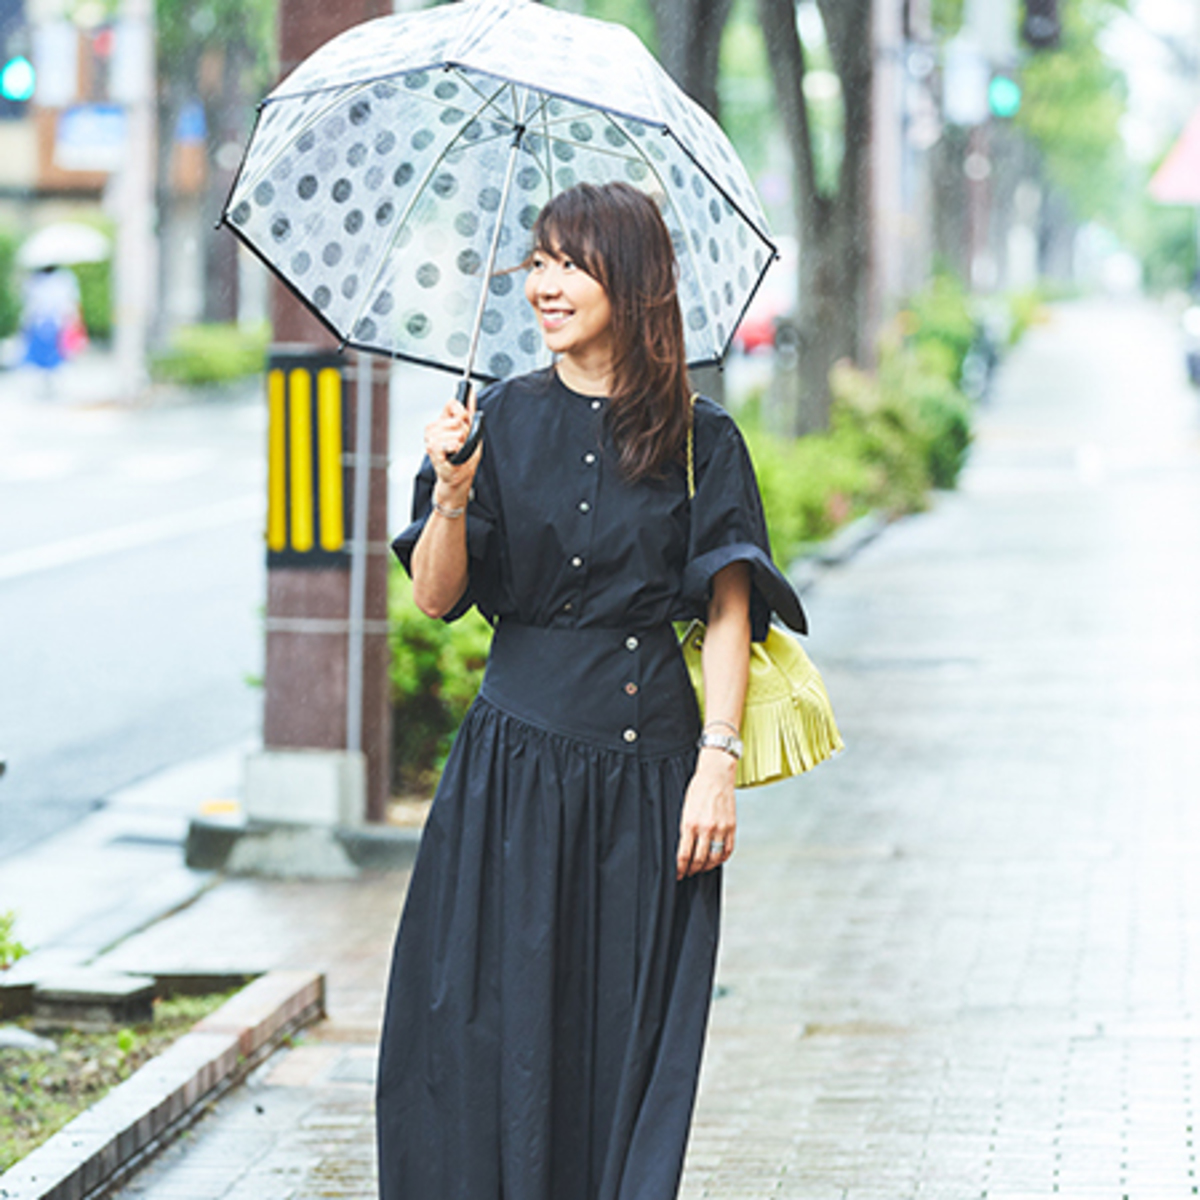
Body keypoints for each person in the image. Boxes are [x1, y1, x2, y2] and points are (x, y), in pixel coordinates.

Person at [376, 181, 807, 1200]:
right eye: (536, 262)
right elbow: (439, 600)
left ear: (632, 275)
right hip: (510, 772)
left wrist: (718, 766)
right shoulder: (495, 419)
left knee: (624, 1037)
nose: (544, 285)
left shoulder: (702, 438)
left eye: (570, 262)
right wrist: (451, 492)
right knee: (474, 1031)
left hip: (648, 780)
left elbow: (729, 608)